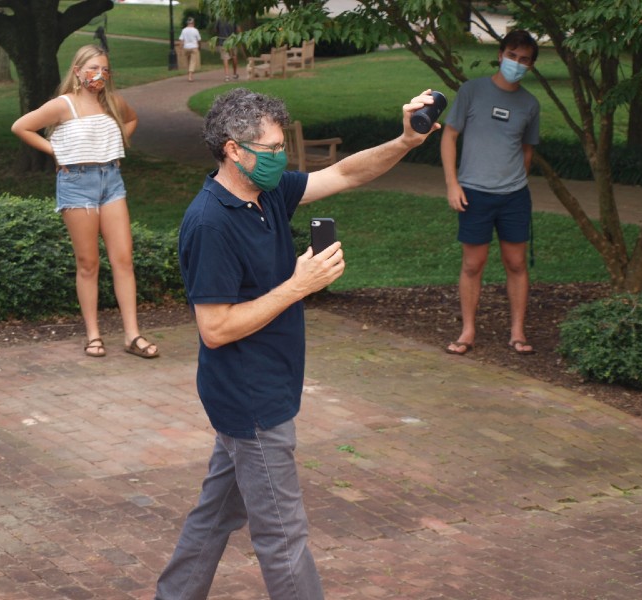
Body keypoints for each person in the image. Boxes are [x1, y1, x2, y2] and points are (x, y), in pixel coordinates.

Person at [154, 87, 438, 600]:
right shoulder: (210, 223)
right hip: (251, 399)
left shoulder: (267, 194)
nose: (280, 158)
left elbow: (346, 173)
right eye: (270, 149)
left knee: (217, 514)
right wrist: (298, 285)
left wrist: (405, 141)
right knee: (283, 538)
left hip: (264, 389)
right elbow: (214, 328)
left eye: (282, 146)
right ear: (233, 150)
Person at [11, 44, 159, 360]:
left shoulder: (112, 102)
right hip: (77, 184)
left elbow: (131, 120)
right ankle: (93, 335)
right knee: (88, 263)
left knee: (123, 259)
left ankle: (132, 335)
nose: (99, 75)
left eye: (105, 69)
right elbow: (21, 126)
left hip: (111, 181)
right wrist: (57, 151)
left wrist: (117, 142)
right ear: (78, 71)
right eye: (92, 68)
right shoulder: (63, 104)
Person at [441, 29, 540, 356]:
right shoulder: (472, 91)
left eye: (524, 59)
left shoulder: (530, 104)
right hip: (474, 193)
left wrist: (514, 181)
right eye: (512, 56)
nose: (517, 63)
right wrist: (453, 184)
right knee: (473, 264)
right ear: (500, 55)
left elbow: (527, 150)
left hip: (514, 196)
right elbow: (449, 137)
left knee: (516, 262)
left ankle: (518, 332)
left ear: (530, 65)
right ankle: (467, 331)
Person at [179, 17, 202, 82]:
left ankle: (189, 72)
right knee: (193, 61)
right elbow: (199, 40)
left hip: (186, 47)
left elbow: (181, 40)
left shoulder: (184, 30)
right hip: (194, 47)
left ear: (187, 23)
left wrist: (180, 48)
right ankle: (190, 76)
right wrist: (199, 46)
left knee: (188, 60)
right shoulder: (195, 30)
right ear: (193, 23)